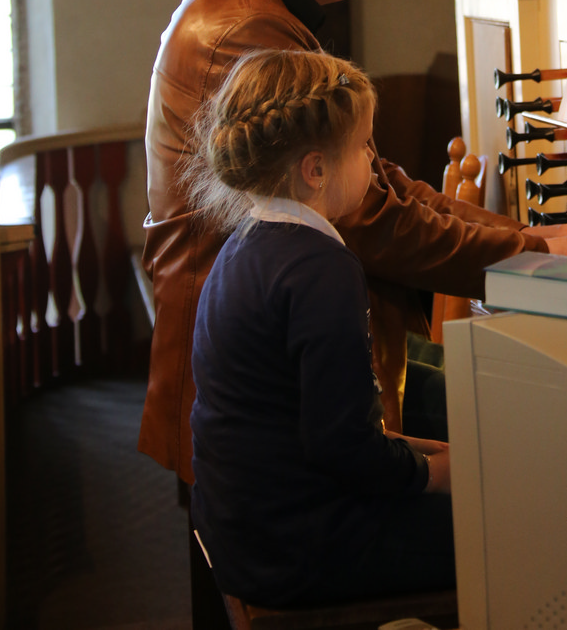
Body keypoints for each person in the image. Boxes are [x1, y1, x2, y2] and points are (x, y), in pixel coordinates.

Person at [140, 0, 567, 483]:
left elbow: (378, 184)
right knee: (532, 465)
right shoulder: (243, 31)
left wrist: (538, 240)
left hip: (278, 380)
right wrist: (536, 254)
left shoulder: (258, 11)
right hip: (266, 418)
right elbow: (367, 217)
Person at [187, 47, 455, 608]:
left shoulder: (244, 247)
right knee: (501, 523)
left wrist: (419, 451)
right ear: (315, 170)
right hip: (301, 546)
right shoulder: (321, 268)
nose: (372, 160)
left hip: (246, 529)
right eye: (363, 146)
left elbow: (309, 421)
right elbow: (342, 446)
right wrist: (433, 475)